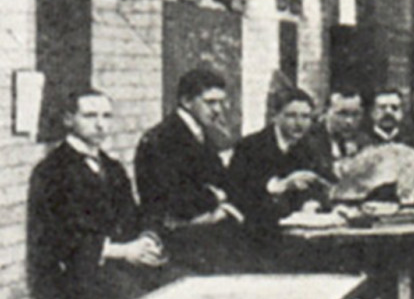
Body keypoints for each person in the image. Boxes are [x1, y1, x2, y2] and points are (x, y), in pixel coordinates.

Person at [27, 89, 168, 299]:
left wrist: (147, 239)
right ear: (68, 120)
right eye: (90, 116)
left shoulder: (112, 168)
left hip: (119, 271)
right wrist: (123, 251)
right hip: (76, 281)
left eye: (106, 116)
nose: (101, 124)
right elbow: (57, 239)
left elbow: (132, 215)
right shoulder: (52, 171)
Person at [135, 66, 256, 272]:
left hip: (208, 233)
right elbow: (171, 199)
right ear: (186, 101)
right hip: (178, 240)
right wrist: (216, 199)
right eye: (210, 102)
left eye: (220, 102)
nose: (218, 109)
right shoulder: (161, 139)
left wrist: (217, 198)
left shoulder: (203, 134)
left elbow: (223, 181)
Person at [228, 86, 329, 235]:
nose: (299, 123)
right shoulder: (250, 146)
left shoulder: (309, 149)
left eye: (305, 117)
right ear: (274, 116)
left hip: (298, 230)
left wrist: (311, 204)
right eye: (291, 116)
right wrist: (281, 185)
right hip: (255, 232)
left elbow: (318, 187)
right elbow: (237, 191)